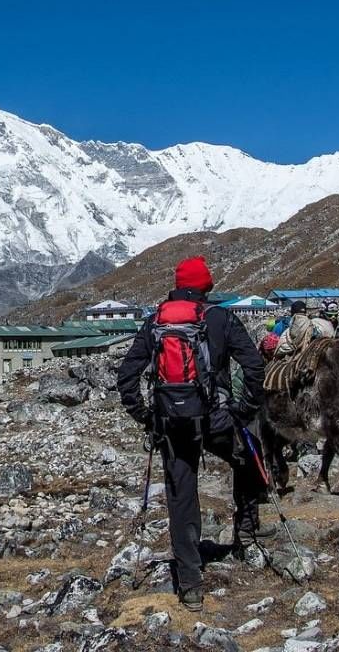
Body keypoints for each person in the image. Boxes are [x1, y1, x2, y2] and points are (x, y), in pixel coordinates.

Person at [116, 256, 267, 611]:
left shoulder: (155, 323)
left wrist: (147, 417)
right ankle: (246, 529)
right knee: (249, 455)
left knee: (182, 498)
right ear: (206, 287)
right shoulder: (221, 318)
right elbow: (254, 367)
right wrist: (242, 410)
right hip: (216, 419)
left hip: (172, 424)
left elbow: (126, 377)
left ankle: (190, 584)